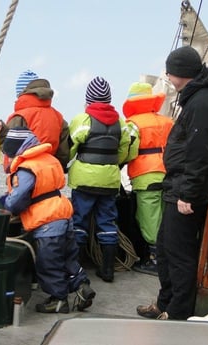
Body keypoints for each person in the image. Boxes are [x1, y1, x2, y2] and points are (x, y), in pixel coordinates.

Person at [136, 45, 208, 320]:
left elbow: (200, 152)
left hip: (187, 192)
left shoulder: (203, 102)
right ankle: (165, 303)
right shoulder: (198, 98)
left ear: (181, 74)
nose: (168, 76)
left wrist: (187, 194)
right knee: (165, 249)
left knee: (180, 255)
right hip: (177, 186)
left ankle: (177, 314)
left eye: (170, 72)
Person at [0, 127, 96, 313]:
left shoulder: (27, 168)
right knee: (68, 257)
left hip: (47, 221)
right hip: (63, 213)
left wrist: (6, 202)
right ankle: (82, 285)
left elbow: (18, 199)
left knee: (48, 262)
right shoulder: (49, 159)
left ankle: (58, 300)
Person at [68, 76, 132, 283]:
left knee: (79, 221)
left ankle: (76, 270)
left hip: (84, 181)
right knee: (107, 221)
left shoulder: (83, 120)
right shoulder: (121, 123)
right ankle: (108, 271)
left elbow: (70, 149)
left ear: (89, 100)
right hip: (110, 181)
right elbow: (124, 151)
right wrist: (111, 165)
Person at [122, 82, 173, 276]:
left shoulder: (132, 124)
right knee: (165, 216)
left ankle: (154, 260)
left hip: (145, 176)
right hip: (168, 174)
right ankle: (166, 258)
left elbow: (128, 151)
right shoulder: (168, 122)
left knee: (149, 218)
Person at [0, 70, 70, 171]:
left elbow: (10, 149)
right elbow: (64, 153)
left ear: (21, 94)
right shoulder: (58, 117)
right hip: (50, 173)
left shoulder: (20, 116)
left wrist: (0, 132)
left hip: (25, 174)